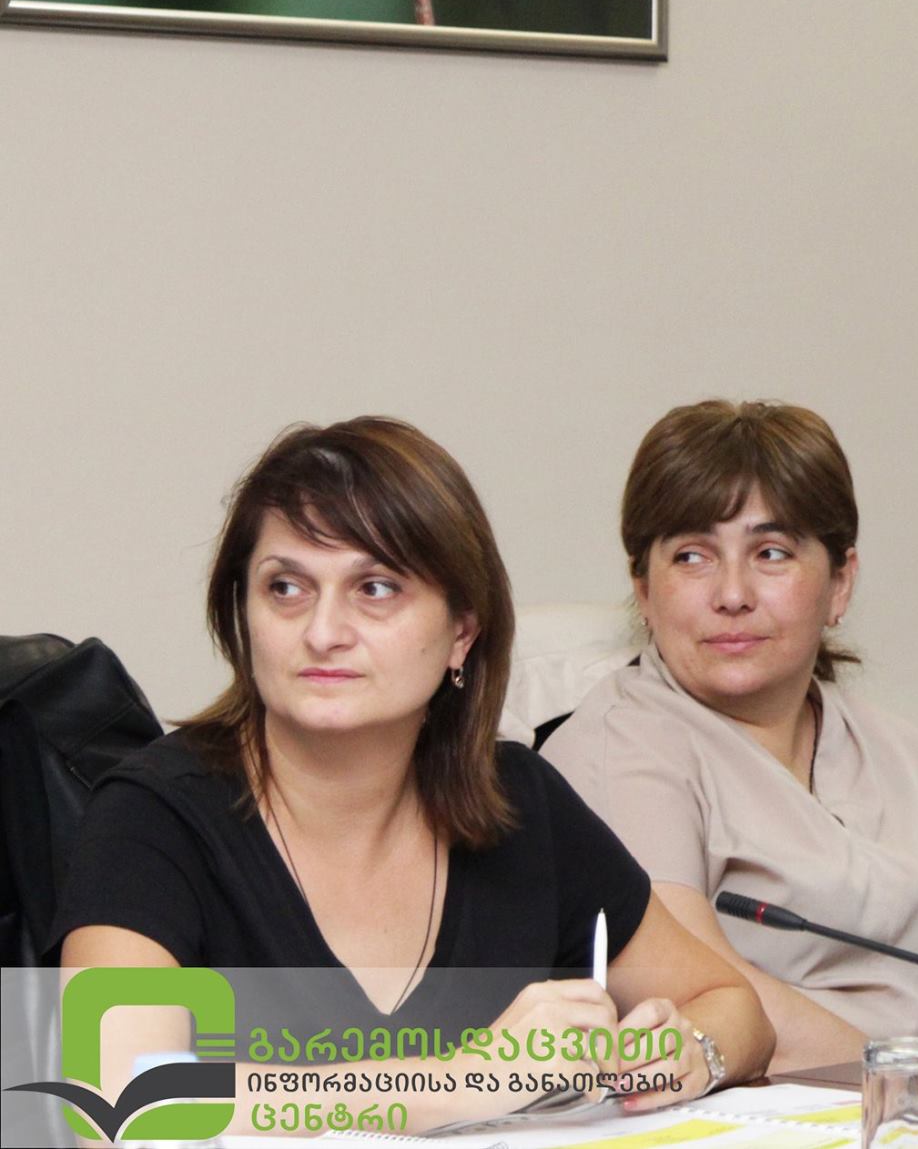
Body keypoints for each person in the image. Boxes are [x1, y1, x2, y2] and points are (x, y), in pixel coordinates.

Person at [57, 418, 772, 1133]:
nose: (323, 632)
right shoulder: (152, 813)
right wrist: (465, 1078)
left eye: (375, 588)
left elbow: (733, 1006)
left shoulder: (521, 802)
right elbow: (120, 1095)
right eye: (286, 587)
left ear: (462, 631)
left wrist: (689, 1052)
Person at [543, 401, 918, 1071]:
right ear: (644, 590)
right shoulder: (619, 750)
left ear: (840, 582)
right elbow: (703, 998)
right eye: (692, 556)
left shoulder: (894, 745)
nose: (733, 593)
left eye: (771, 553)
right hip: (775, 1104)